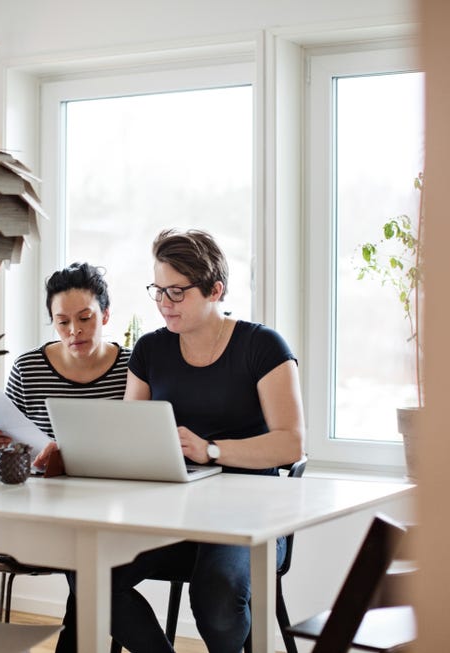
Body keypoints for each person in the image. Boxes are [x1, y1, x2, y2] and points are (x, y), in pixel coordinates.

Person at [115, 228, 305, 653]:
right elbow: (129, 434)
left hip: (249, 519)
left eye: (177, 292)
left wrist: (211, 451)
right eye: (158, 290)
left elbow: (291, 444)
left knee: (216, 597)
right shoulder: (149, 350)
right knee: (89, 572)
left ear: (215, 289)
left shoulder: (262, 346)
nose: (164, 303)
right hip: (171, 516)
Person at [0, 261, 130, 653]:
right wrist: (2, 446)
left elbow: (140, 444)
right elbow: (8, 451)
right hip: (44, 509)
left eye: (85, 318)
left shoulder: (133, 368)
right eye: (62, 322)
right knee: (86, 568)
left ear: (106, 314)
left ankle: (73, 641)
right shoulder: (29, 368)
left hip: (116, 509)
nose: (74, 332)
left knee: (90, 565)